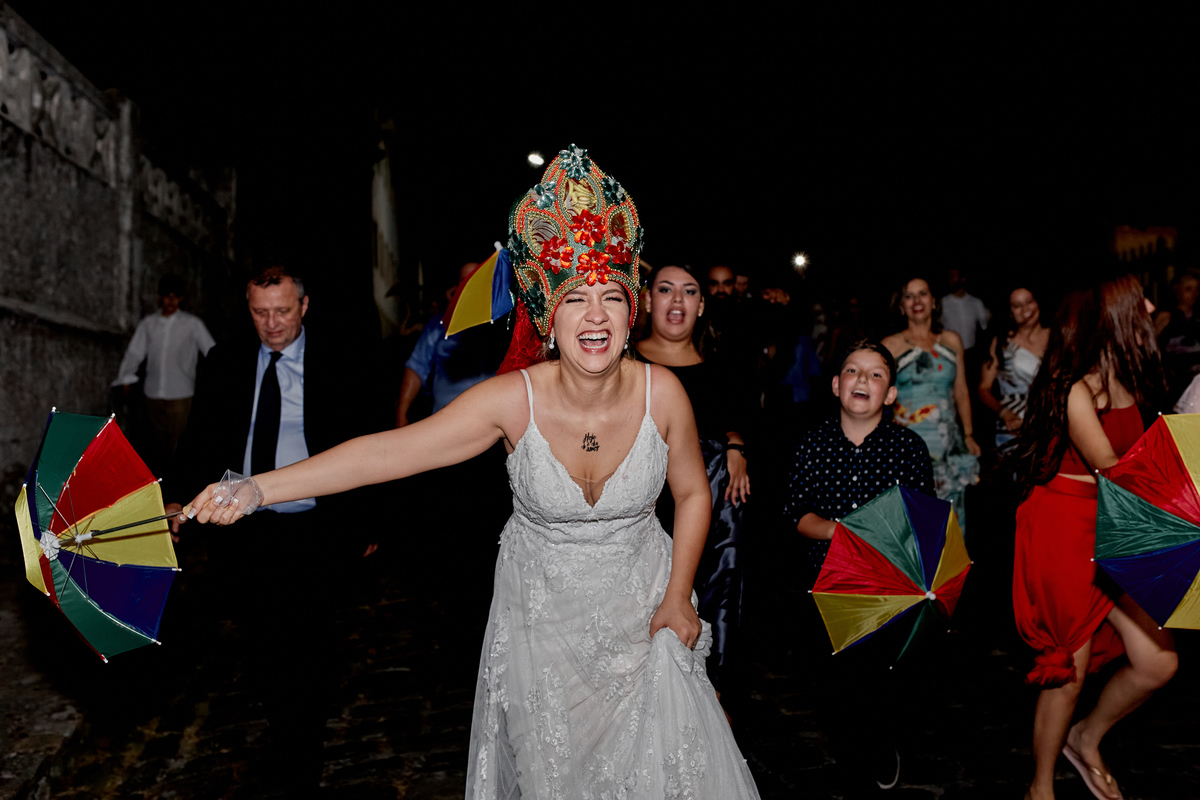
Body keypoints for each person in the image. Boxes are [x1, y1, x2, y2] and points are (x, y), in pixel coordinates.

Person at [179, 148, 762, 799]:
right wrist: (258, 488)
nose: (595, 315)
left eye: (611, 298)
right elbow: (385, 453)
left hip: (643, 613)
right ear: (547, 316)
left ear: (633, 313)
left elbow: (690, 492)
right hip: (546, 630)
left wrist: (680, 594)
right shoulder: (514, 399)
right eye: (576, 299)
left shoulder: (666, 394)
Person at [166, 263, 384, 792]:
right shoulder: (224, 362)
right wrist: (174, 496)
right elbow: (199, 439)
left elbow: (369, 438)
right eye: (260, 313)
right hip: (243, 532)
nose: (272, 324)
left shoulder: (339, 359)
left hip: (313, 527)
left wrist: (371, 517)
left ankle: (299, 755)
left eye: (282, 311)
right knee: (261, 646)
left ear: (304, 306)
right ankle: (285, 723)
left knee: (309, 648)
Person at [1012, 274, 1177, 800]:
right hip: (1065, 525)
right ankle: (1041, 788)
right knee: (1071, 671)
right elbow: (1113, 468)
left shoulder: (1134, 378)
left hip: (1117, 525)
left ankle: (1086, 738)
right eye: (1142, 299)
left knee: (1158, 662)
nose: (1152, 306)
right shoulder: (1077, 387)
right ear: (1118, 314)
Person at [784, 339, 935, 792]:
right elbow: (797, 515)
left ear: (890, 394)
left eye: (875, 375)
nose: (862, 380)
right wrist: (838, 531)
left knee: (879, 679)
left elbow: (920, 517)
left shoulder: (908, 447)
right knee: (836, 682)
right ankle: (852, 747)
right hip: (824, 582)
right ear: (835, 385)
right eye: (852, 371)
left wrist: (884, 537)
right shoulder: (813, 445)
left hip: (885, 585)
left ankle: (880, 742)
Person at [635, 263, 753, 700]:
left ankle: (714, 696)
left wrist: (736, 447)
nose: (677, 300)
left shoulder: (719, 362)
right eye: (666, 289)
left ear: (701, 305)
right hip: (646, 501)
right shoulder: (626, 362)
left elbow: (737, 419)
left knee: (718, 593)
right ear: (648, 299)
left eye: (689, 291)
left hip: (713, 500)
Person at [883, 276, 980, 533]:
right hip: (906, 447)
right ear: (901, 306)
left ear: (934, 302)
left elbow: (961, 390)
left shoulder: (951, 340)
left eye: (922, 293)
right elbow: (878, 398)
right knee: (913, 523)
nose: (917, 301)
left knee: (950, 523)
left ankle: (949, 573)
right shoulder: (889, 346)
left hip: (948, 445)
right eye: (909, 295)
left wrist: (968, 435)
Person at [112, 273, 215, 469]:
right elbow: (135, 352)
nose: (170, 301)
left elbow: (212, 351)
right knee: (159, 446)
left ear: (181, 298)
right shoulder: (149, 324)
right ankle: (164, 482)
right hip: (153, 394)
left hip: (181, 394)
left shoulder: (192, 324)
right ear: (159, 297)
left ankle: (179, 486)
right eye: (166, 296)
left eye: (175, 296)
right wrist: (126, 377)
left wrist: (215, 381)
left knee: (179, 444)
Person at [395, 261, 505, 426]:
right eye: (464, 280)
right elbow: (417, 366)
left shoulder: (501, 324)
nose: (470, 284)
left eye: (475, 278)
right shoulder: (439, 324)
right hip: (446, 421)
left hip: (492, 423)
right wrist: (402, 413)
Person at [978, 286, 1050, 449]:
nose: (1025, 309)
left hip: (1051, 423)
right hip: (1014, 425)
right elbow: (983, 389)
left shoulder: (1057, 337)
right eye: (1017, 305)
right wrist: (1004, 413)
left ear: (1038, 303)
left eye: (1029, 302)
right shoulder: (1001, 343)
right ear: (1010, 312)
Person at [1153, 269, 1200, 404]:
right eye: (1188, 289)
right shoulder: (1166, 318)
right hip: (1176, 386)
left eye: (1197, 289)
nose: (1194, 294)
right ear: (1177, 290)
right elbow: (1153, 349)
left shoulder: (1197, 318)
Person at [939, 267, 990, 368]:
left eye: (953, 276)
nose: (950, 279)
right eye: (949, 276)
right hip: (949, 353)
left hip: (971, 354)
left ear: (962, 279)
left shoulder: (976, 302)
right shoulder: (942, 302)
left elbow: (985, 328)